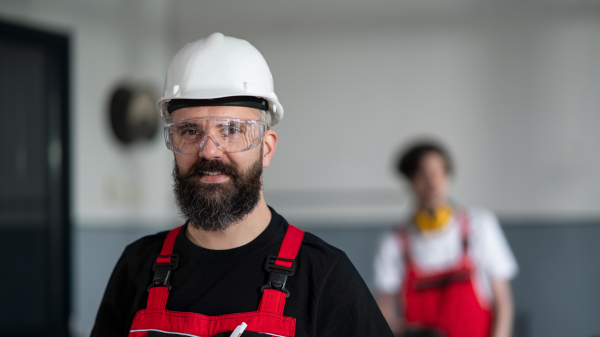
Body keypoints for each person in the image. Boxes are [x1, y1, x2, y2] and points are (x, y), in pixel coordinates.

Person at [91, 32, 393, 337]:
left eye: (232, 129)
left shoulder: (324, 276)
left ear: (267, 148)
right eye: (190, 131)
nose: (209, 150)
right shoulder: (137, 266)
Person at [374, 140, 518, 337]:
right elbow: (383, 314)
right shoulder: (395, 242)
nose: (433, 182)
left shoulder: (479, 226)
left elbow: (503, 303)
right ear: (410, 181)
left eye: (440, 172)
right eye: (422, 174)